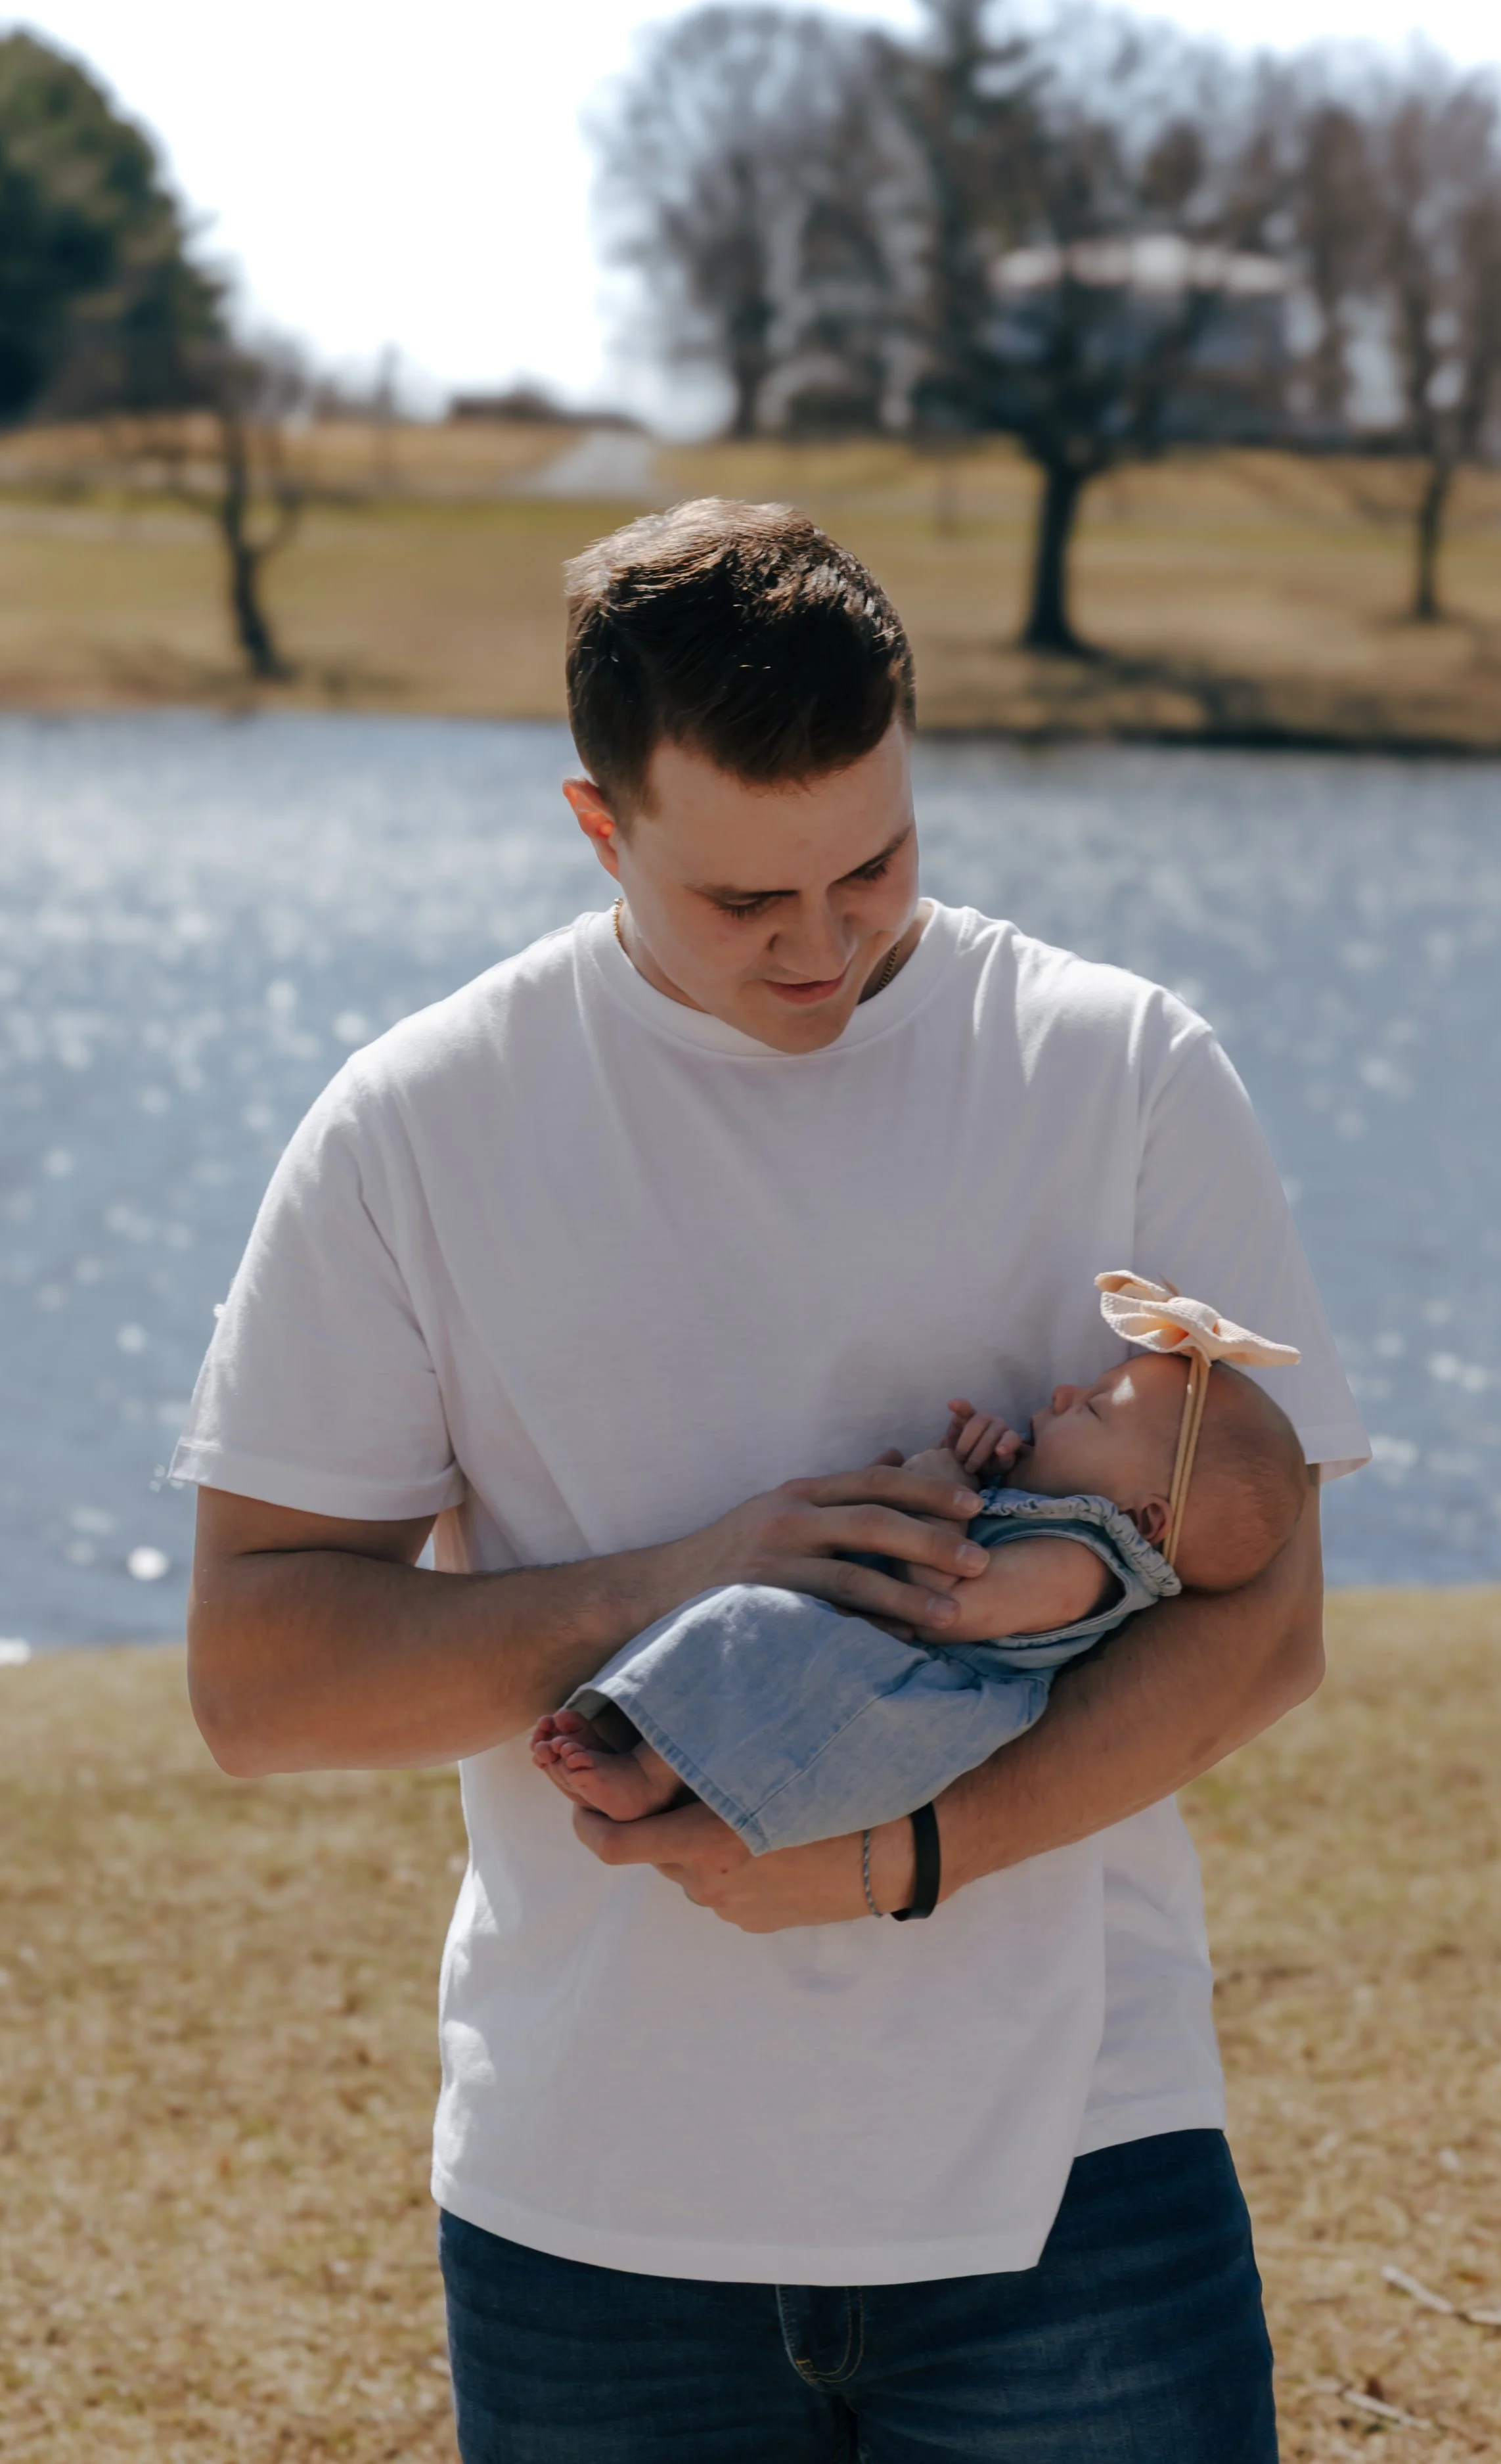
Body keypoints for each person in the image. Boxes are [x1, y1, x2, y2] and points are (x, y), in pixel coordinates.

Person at [177, 497, 1368, 2463]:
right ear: (598, 827)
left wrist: (903, 1859)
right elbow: (258, 1678)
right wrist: (687, 1569)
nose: (823, 943)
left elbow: (1271, 1622)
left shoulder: (1120, 1067)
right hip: (596, 2207)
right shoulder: (417, 1125)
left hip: (1076, 2177)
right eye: (745, 902)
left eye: (873, 862)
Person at [533, 1306, 1309, 1857]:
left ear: (1145, 1523)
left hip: (907, 1690)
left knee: (759, 1631)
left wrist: (940, 1483)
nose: (1068, 1394)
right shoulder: (1058, 1519)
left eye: (1097, 1412)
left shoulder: (1080, 1565)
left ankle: (648, 1772)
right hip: (873, 1646)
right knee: (745, 1626)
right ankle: (639, 1733)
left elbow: (950, 1605)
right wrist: (969, 1473)